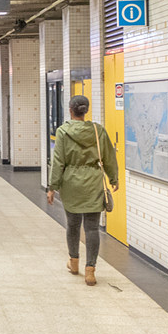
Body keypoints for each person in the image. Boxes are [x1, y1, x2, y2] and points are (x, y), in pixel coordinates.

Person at [46, 95, 118, 286]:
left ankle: (74, 262)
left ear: (70, 110)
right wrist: (113, 178)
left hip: (71, 183)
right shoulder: (97, 130)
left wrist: (52, 187)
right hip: (93, 182)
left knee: (73, 225)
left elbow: (58, 162)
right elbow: (109, 156)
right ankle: (90, 271)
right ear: (85, 111)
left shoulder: (63, 131)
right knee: (92, 228)